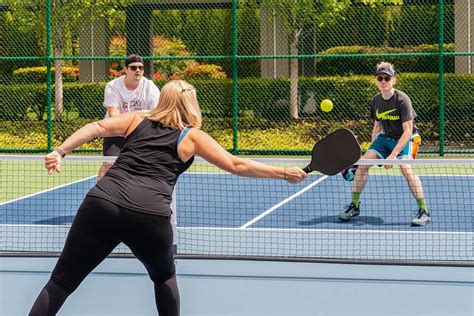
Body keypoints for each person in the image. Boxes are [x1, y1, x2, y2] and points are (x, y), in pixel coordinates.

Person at [29, 80, 307, 316]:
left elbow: (97, 127)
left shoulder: (137, 119)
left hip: (102, 203)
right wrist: (283, 172)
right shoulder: (192, 137)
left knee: (61, 282)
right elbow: (236, 165)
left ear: (163, 99)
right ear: (191, 104)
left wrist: (60, 151)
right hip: (149, 216)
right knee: (164, 277)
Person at [337, 62, 430, 227]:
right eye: (380, 78)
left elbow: (408, 131)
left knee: (405, 168)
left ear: (393, 80)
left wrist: (393, 155)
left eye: (387, 78)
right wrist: (371, 152)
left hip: (407, 138)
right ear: (376, 81)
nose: (383, 81)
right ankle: (354, 205)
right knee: (363, 165)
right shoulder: (376, 101)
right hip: (385, 138)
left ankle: (424, 211)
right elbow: (377, 126)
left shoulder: (402, 99)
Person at [98, 54, 160, 180]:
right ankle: (98, 191)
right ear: (125, 70)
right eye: (133, 67)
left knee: (143, 167)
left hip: (140, 132)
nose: (137, 70)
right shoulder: (113, 86)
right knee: (110, 164)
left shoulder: (150, 87)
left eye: (140, 67)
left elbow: (156, 114)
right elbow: (114, 116)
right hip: (115, 131)